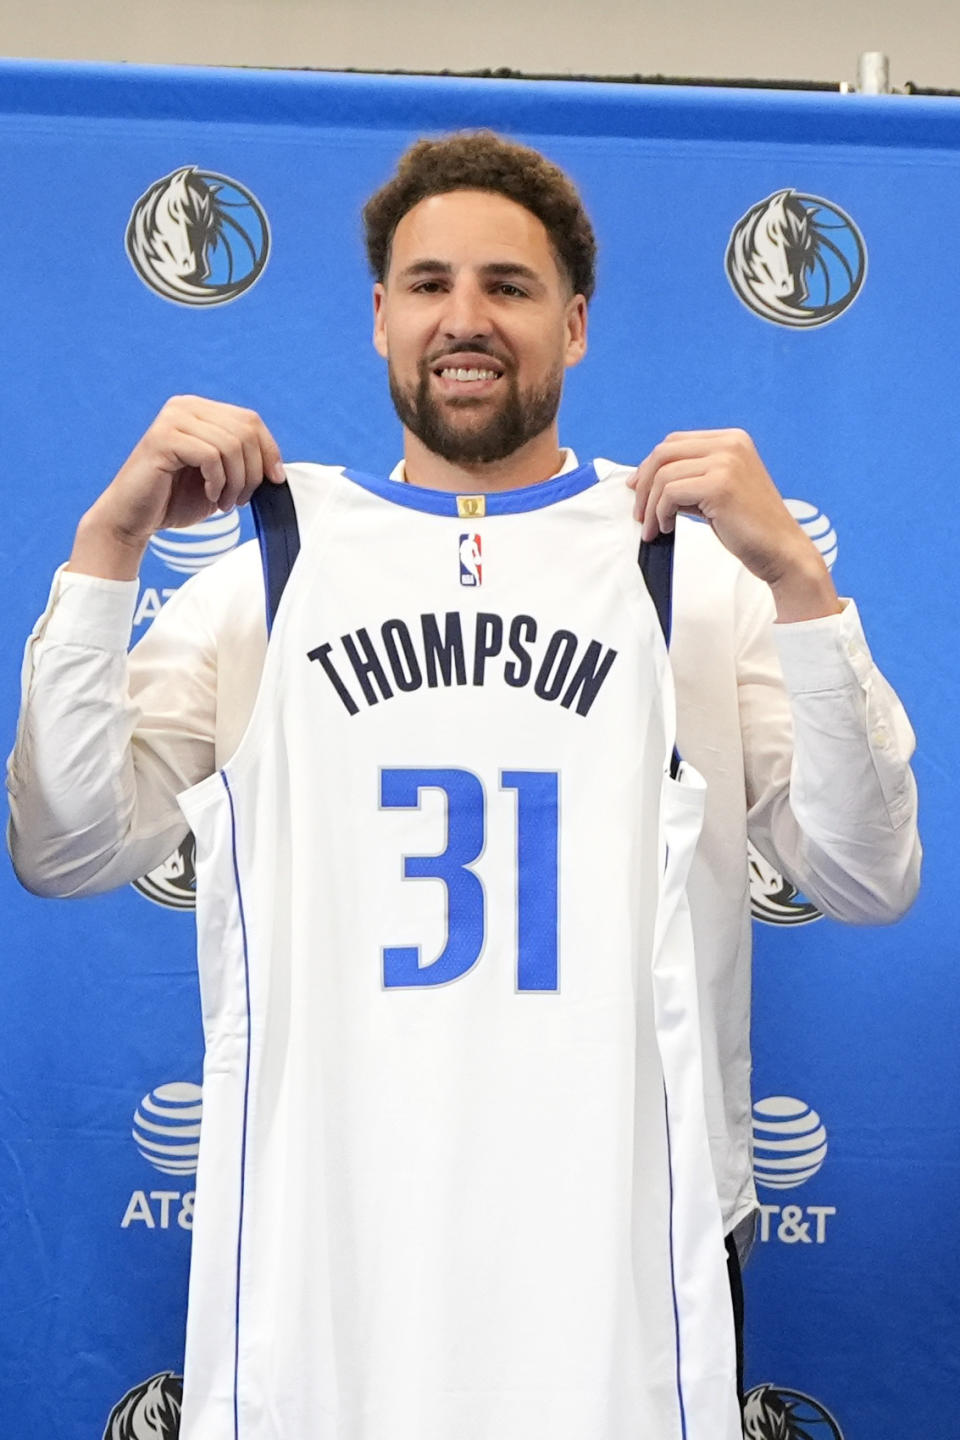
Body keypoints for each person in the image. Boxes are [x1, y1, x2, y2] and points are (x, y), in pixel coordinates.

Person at [7, 132, 919, 1438]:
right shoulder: (266, 573)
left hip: (621, 1273)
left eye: (511, 284)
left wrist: (804, 592)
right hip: (330, 1271)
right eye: (430, 284)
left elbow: (869, 872)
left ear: (578, 324)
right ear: (381, 317)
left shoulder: (691, 577)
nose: (467, 317)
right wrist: (105, 548)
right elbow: (67, 840)